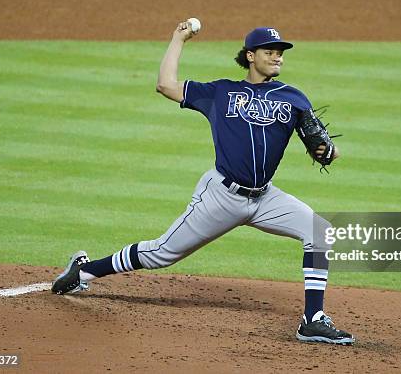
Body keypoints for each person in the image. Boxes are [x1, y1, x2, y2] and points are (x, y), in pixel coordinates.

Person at [52, 20, 354, 345]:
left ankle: (313, 320)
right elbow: (166, 85)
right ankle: (83, 271)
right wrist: (177, 38)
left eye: (280, 52)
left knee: (319, 231)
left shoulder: (294, 97)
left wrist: (329, 151)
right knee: (162, 254)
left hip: (265, 199)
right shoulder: (220, 91)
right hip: (222, 196)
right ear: (250, 55)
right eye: (270, 51)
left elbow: (325, 149)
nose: (278, 56)